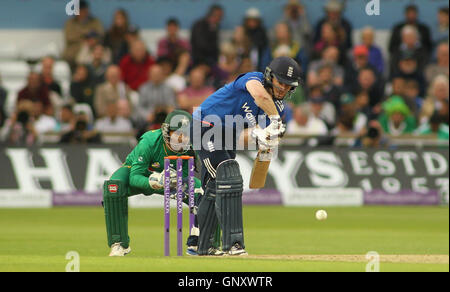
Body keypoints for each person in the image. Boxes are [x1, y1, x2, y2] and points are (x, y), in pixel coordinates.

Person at [191, 56, 301, 256]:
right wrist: (275, 120)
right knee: (227, 177)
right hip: (205, 127)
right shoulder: (252, 79)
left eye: (289, 86)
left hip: (228, 137)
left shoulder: (279, 107)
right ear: (270, 76)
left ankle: (198, 243)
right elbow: (260, 96)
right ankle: (233, 245)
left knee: (213, 186)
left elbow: (247, 135)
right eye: (281, 82)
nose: (284, 88)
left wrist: (263, 138)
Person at [102, 110, 204, 256]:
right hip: (141, 174)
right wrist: (153, 181)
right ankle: (119, 244)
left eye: (186, 134)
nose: (182, 138)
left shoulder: (190, 149)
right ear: (167, 131)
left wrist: (175, 183)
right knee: (114, 187)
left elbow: (187, 178)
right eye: (177, 133)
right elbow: (134, 176)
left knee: (203, 191)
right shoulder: (150, 141)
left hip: (170, 180)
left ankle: (204, 243)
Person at [62, 0, 104, 68]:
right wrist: (86, 35)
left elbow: (100, 35)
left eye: (83, 10)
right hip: (73, 53)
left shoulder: (95, 22)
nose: (81, 12)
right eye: (79, 10)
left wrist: (88, 39)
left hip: (91, 51)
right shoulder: (70, 23)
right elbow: (70, 37)